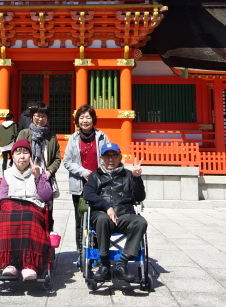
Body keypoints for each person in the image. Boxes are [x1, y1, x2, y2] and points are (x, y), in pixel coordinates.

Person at [0, 139, 53, 281]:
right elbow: (2, 197)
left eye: (25, 153)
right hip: (11, 206)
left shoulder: (39, 172)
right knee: (6, 216)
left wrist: (37, 178)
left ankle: (30, 264)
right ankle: (8, 263)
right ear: (13, 156)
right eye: (18, 153)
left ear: (31, 156)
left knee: (28, 216)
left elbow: (47, 195)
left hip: (33, 207)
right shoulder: (7, 174)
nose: (22, 156)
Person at [83, 142, 146, 282]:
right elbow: (88, 194)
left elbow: (139, 197)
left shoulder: (128, 175)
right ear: (101, 158)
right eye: (107, 155)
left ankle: (122, 264)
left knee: (140, 222)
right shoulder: (95, 176)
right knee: (102, 219)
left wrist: (136, 179)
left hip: (124, 216)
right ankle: (104, 265)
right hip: (102, 216)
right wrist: (106, 206)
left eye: (114, 155)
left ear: (120, 157)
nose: (111, 159)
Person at [63, 104, 109, 255]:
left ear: (93, 119)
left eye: (88, 117)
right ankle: (81, 249)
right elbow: (67, 161)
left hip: (99, 183)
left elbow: (109, 157)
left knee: (98, 215)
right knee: (80, 217)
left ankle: (97, 248)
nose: (85, 120)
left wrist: (100, 174)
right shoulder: (73, 139)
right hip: (79, 183)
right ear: (77, 120)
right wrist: (83, 172)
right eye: (81, 117)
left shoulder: (101, 136)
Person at [17, 102, 61, 231]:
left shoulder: (52, 137)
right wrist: (27, 167)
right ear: (32, 117)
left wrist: (49, 171)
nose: (40, 119)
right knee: (28, 214)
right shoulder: (24, 134)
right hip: (26, 178)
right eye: (37, 115)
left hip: (45, 179)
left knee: (47, 214)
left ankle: (46, 244)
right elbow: (17, 154)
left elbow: (57, 158)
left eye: (44, 116)